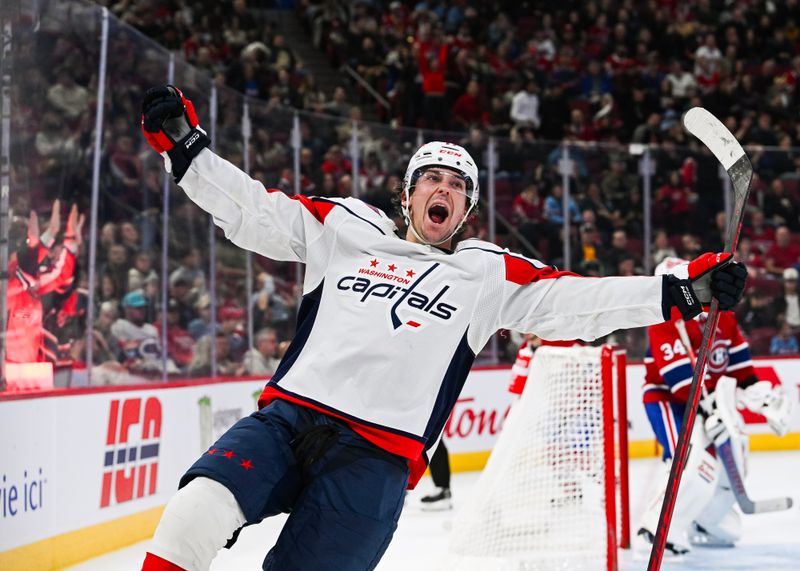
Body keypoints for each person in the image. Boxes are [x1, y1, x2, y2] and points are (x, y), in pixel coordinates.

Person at [139, 85, 746, 571]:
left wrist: (677, 292)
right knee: (194, 512)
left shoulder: (483, 274)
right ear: (408, 195)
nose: (444, 189)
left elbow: (575, 301)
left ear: (467, 210)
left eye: (457, 185)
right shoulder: (347, 228)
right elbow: (257, 209)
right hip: (288, 418)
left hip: (375, 460)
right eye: (431, 177)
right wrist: (188, 152)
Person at [637, 257, 790, 556]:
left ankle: (704, 521)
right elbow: (680, 381)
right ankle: (657, 526)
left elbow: (742, 370)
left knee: (732, 457)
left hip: (703, 402)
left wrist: (763, 398)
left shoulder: (724, 316)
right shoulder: (663, 320)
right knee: (686, 460)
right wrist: (710, 412)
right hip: (667, 400)